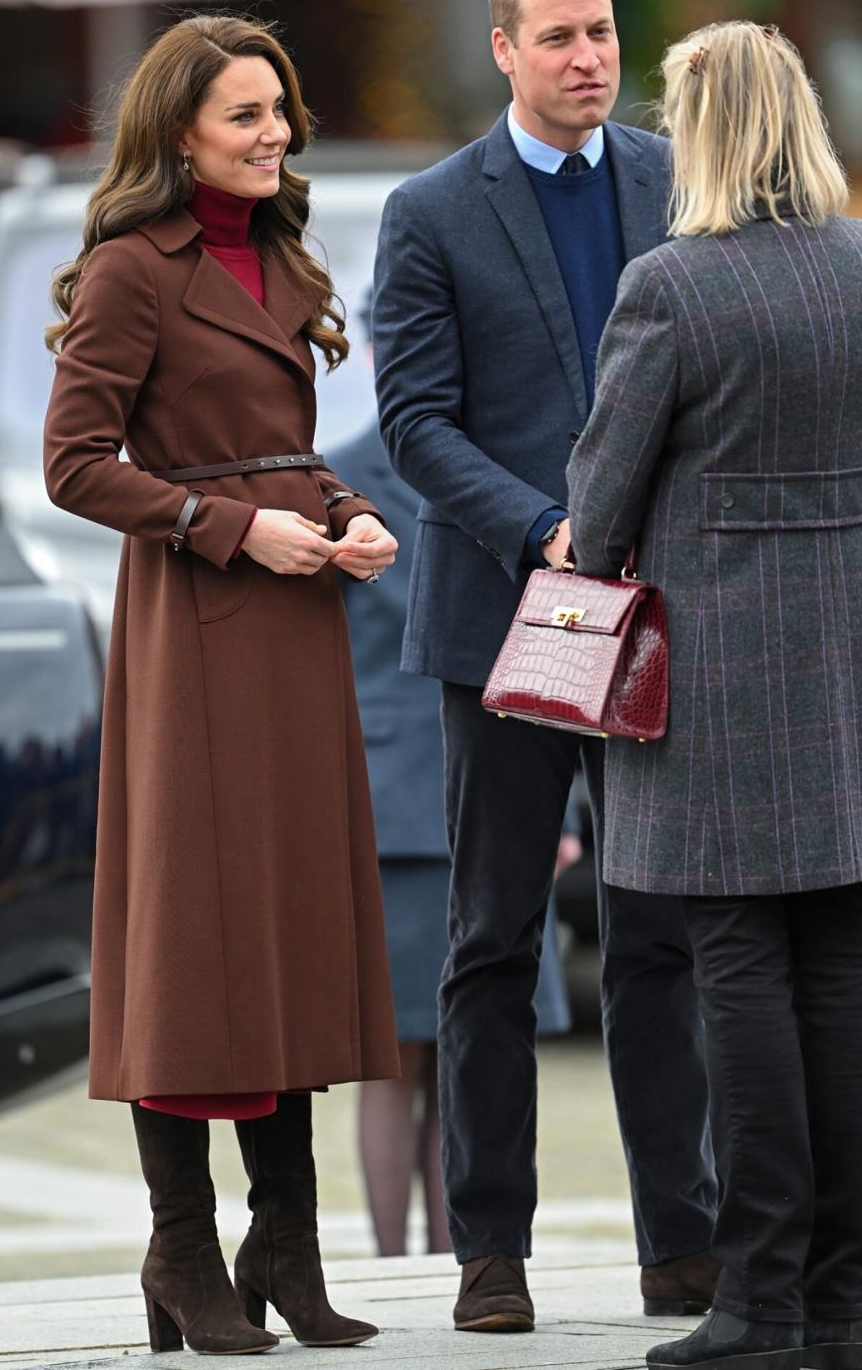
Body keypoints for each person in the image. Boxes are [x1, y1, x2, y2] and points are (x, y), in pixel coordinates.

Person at [42, 14, 400, 1356]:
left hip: (296, 626)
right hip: (194, 628)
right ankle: (182, 1251)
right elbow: (74, 464)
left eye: (280, 112)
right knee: (199, 944)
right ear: (178, 129)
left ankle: (287, 1255)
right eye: (245, 116)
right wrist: (225, 528)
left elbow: (280, 451)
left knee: (289, 927)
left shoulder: (287, 256)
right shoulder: (133, 270)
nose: (274, 136)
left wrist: (349, 509)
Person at [373, 0, 718, 1332]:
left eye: (603, 33)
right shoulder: (432, 210)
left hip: (652, 615)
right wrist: (540, 529)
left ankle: (680, 1243)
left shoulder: (671, 184)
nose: (591, 58)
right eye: (561, 36)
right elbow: (417, 422)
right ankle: (491, 1252)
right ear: (505, 49)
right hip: (506, 624)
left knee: (659, 937)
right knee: (493, 938)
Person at [567, 20, 862, 1370]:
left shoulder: (671, 290)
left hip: (724, 685)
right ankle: (838, 1300)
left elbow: (594, 519)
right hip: (861, 663)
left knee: (739, 971)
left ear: (700, 130)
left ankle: (756, 1304)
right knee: (853, 970)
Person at [331, 293, 571, 1258]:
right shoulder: (346, 476)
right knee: (416, 1059)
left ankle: (441, 1259)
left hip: (424, 792)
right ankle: (417, 1262)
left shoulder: (346, 471)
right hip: (417, 801)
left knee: (435, 1055)